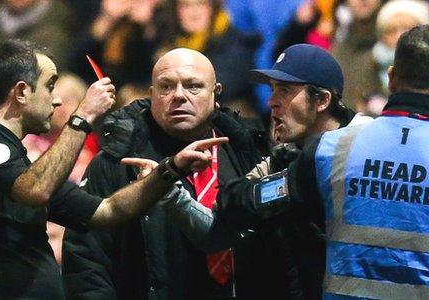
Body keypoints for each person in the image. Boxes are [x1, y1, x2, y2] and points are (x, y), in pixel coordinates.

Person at [0, 39, 223, 299]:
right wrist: (82, 117)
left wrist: (169, 170)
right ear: (21, 92)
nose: (56, 100)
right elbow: (36, 190)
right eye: (50, 86)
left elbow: (108, 211)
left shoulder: (23, 168)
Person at [212, 25, 429, 299]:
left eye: (286, 90)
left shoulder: (335, 149)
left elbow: (254, 199)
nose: (272, 102)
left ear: (391, 78)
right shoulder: (317, 148)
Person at [153, 44, 373, 298]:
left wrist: (284, 187)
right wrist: (283, 185)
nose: (272, 102)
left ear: (322, 100)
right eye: (272, 89)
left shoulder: (366, 149)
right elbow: (230, 203)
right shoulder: (285, 155)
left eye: (286, 91)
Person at [62, 48, 274, 299]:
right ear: (152, 95)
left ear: (216, 93)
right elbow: (86, 259)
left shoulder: (249, 152)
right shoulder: (118, 160)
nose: (179, 96)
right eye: (166, 87)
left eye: (193, 86)